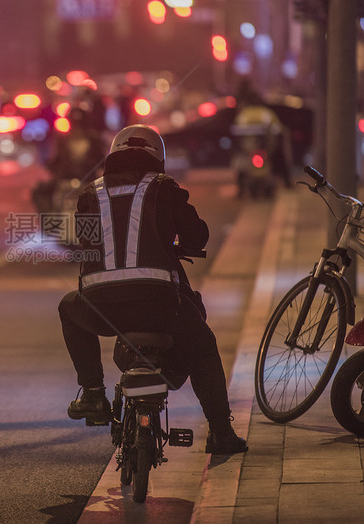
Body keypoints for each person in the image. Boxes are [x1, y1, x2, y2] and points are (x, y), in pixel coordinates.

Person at [58, 124, 248, 455]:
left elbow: (82, 244)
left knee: (66, 308)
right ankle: (220, 432)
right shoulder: (164, 187)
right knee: (203, 344)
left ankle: (91, 393)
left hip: (99, 307)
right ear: (157, 159)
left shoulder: (90, 194)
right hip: (159, 305)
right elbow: (196, 236)